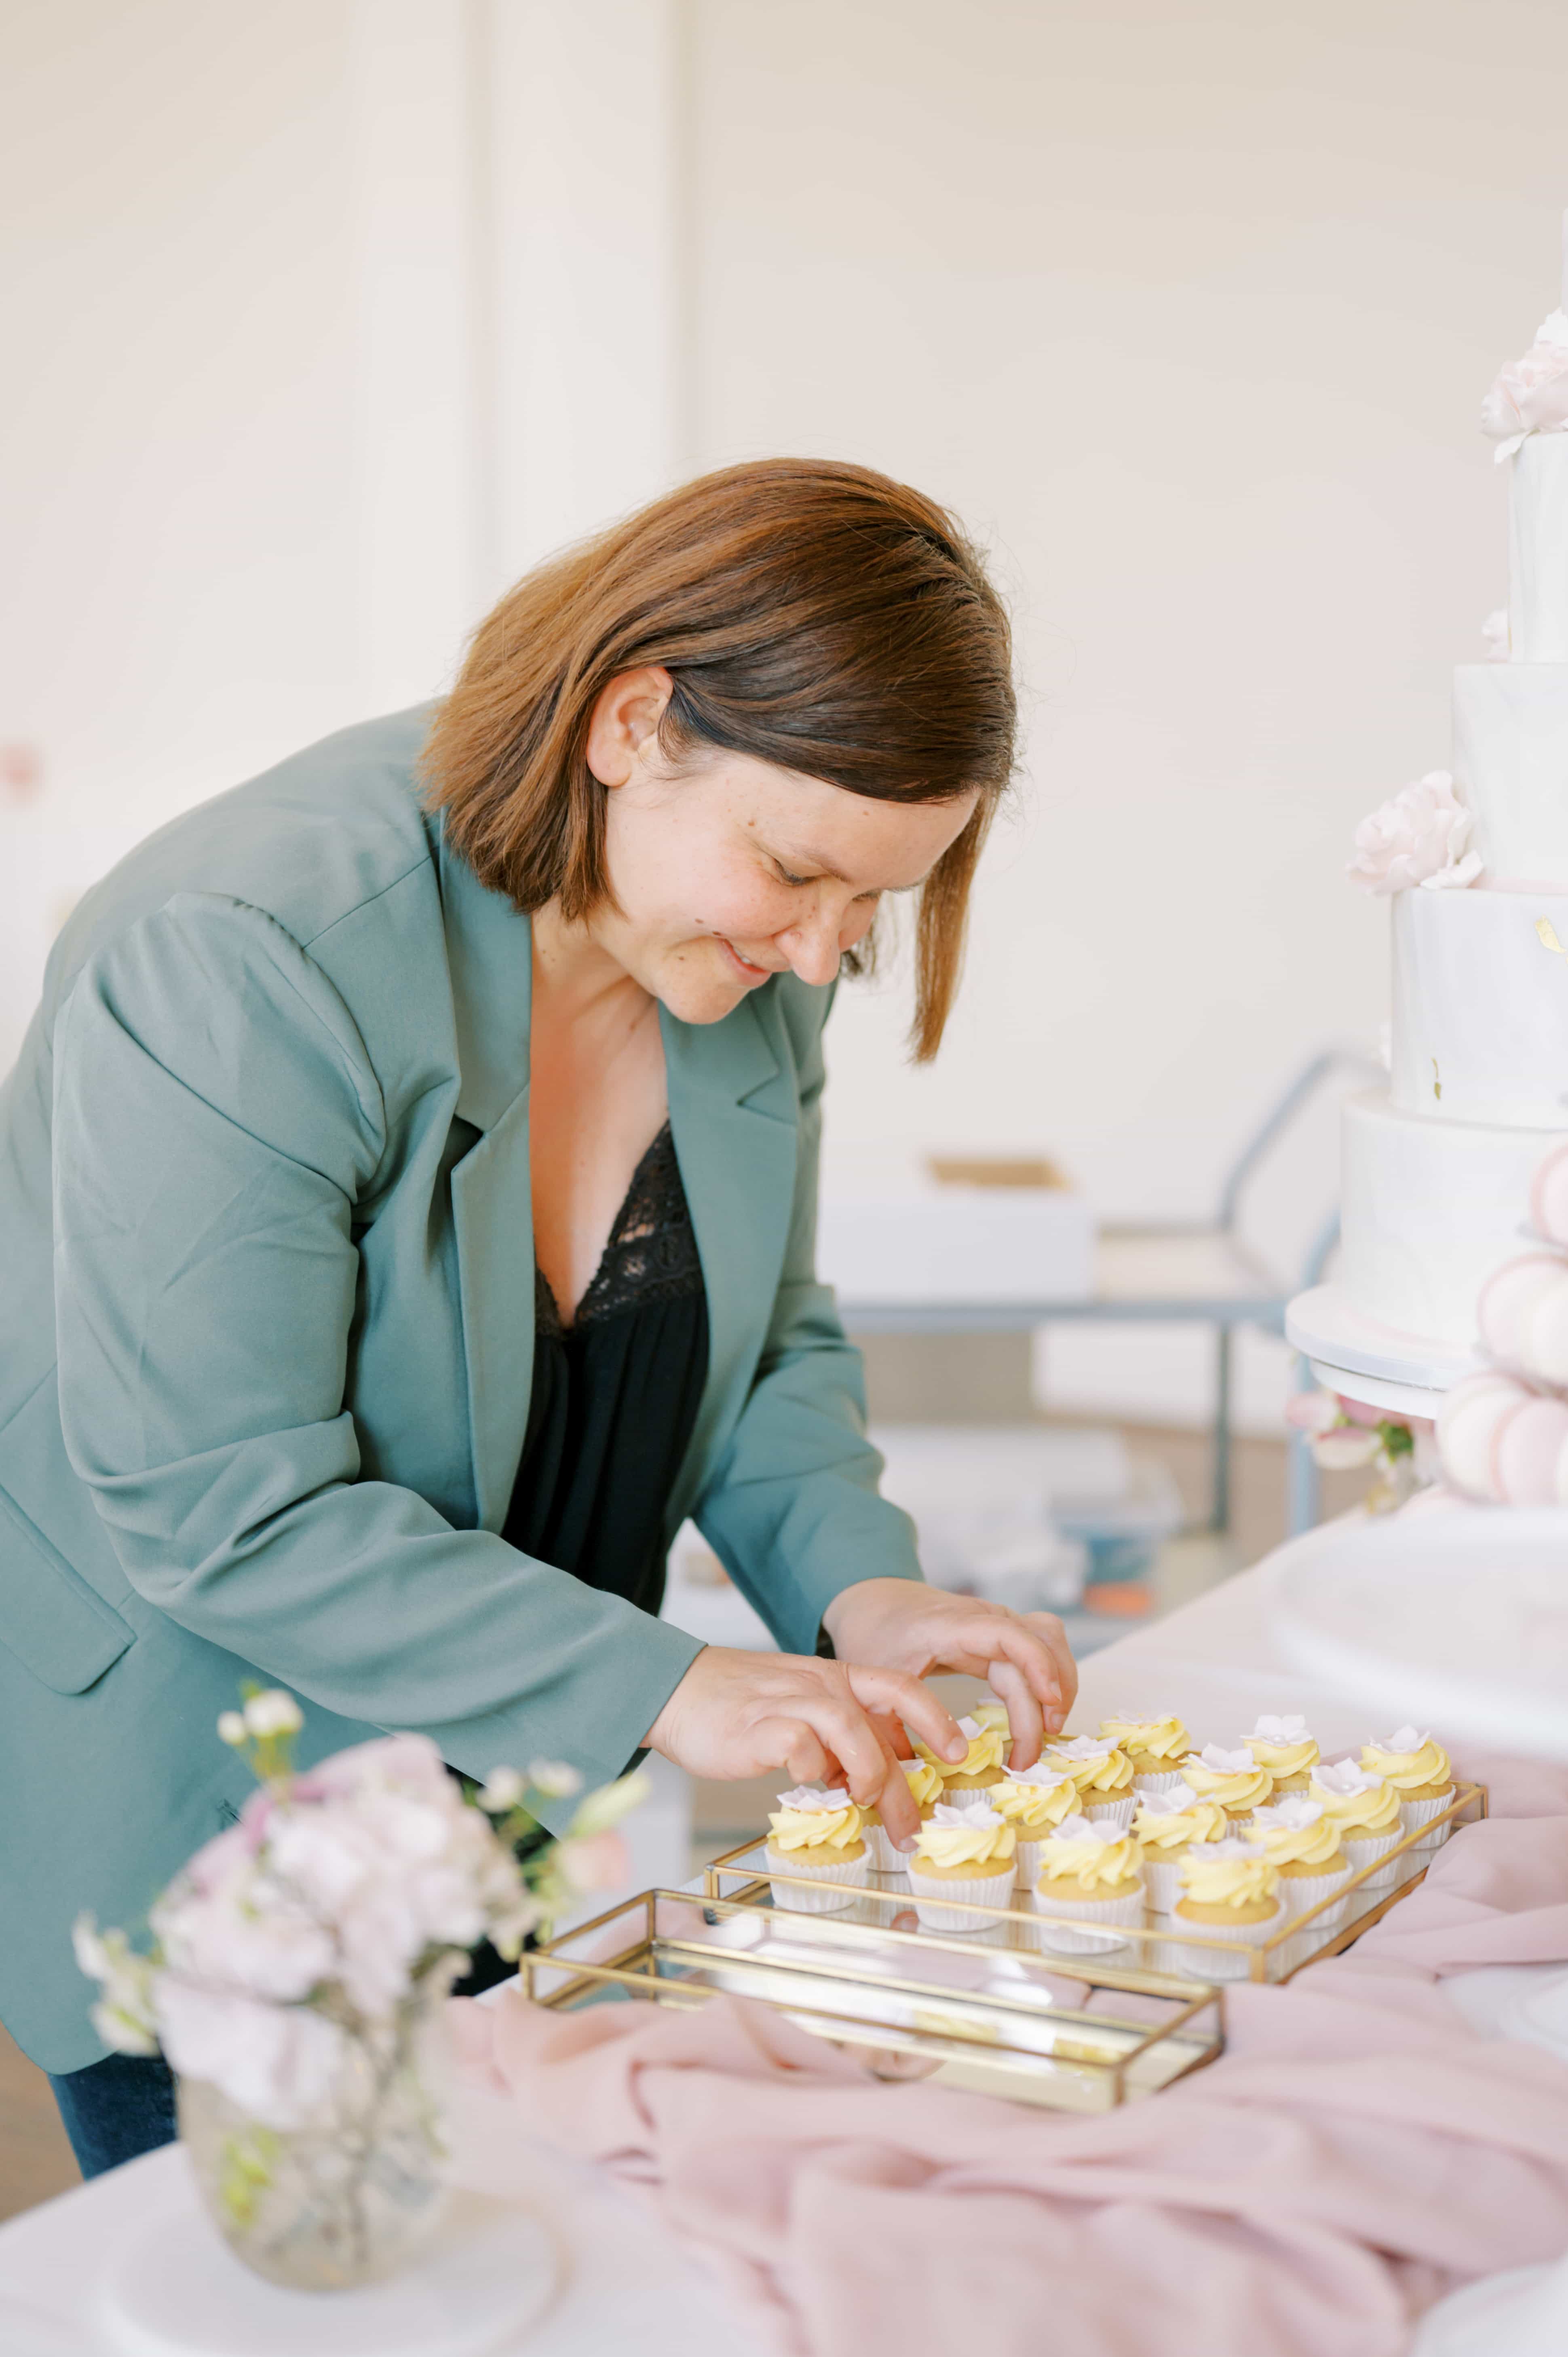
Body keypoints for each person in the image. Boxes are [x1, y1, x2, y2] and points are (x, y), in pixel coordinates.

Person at [0, 458, 1077, 2176]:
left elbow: (768, 1337)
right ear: (632, 725)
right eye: (802, 874)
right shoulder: (240, 953)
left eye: (874, 904)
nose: (823, 959)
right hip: (212, 1773)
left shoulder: (731, 952)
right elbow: (224, 1504)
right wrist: (671, 1688)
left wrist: (858, 1587)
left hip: (511, 1757)